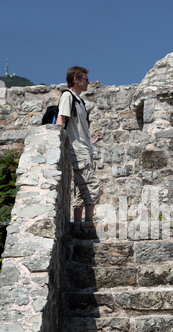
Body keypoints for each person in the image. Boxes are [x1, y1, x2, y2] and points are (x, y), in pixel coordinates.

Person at [56, 66, 101, 222]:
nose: (89, 82)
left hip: (83, 149)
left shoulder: (79, 101)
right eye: (86, 79)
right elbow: (61, 119)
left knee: (81, 190)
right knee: (92, 186)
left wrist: (90, 141)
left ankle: (77, 225)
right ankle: (89, 224)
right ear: (76, 79)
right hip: (78, 151)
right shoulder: (68, 96)